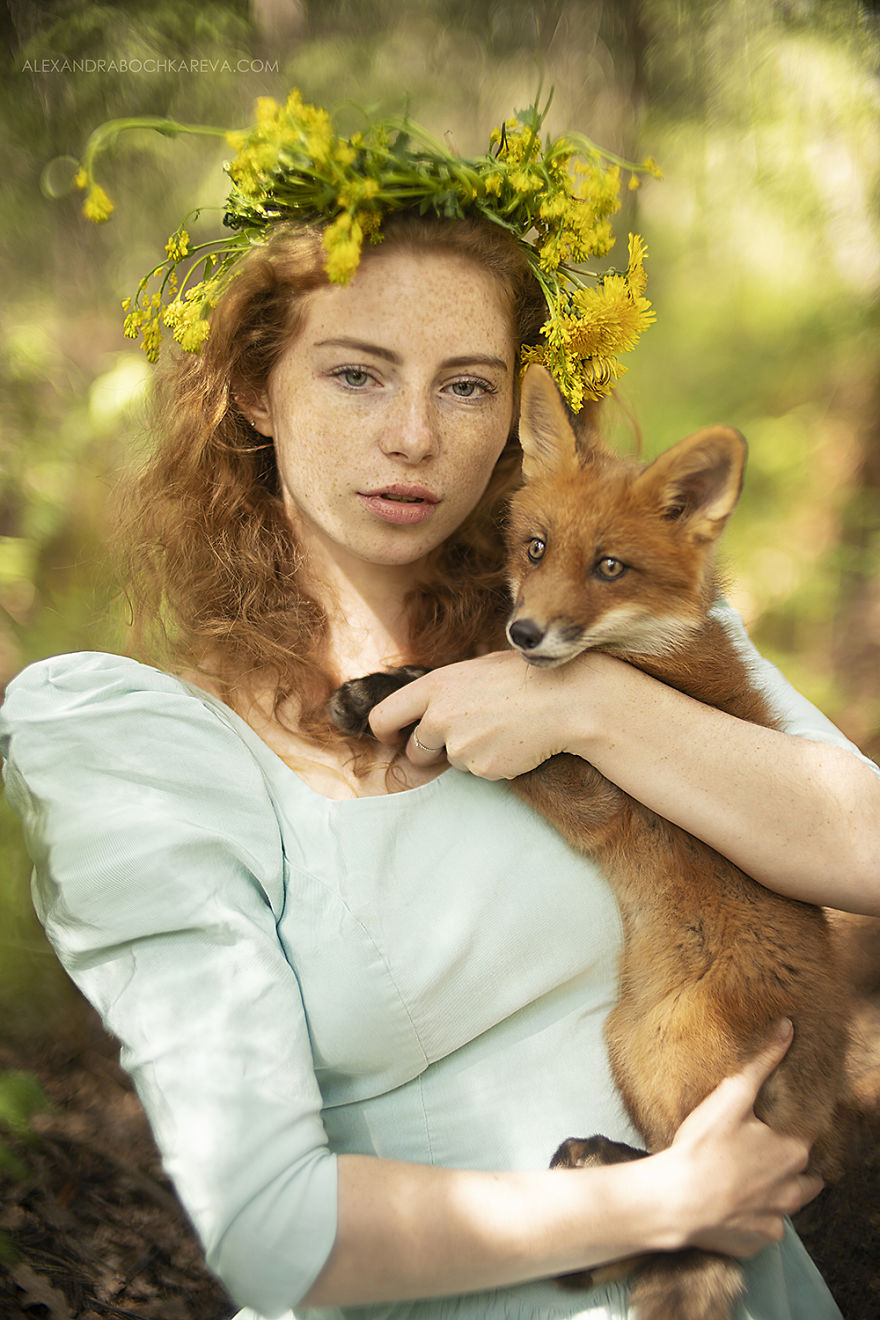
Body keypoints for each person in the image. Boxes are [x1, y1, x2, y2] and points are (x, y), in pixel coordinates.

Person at [2, 91, 879, 1320]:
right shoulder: (141, 746)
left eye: (466, 388)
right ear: (256, 391)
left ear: (516, 427)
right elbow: (270, 1233)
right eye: (358, 374)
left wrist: (584, 710)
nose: (412, 436)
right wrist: (650, 1208)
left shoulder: (613, 617)